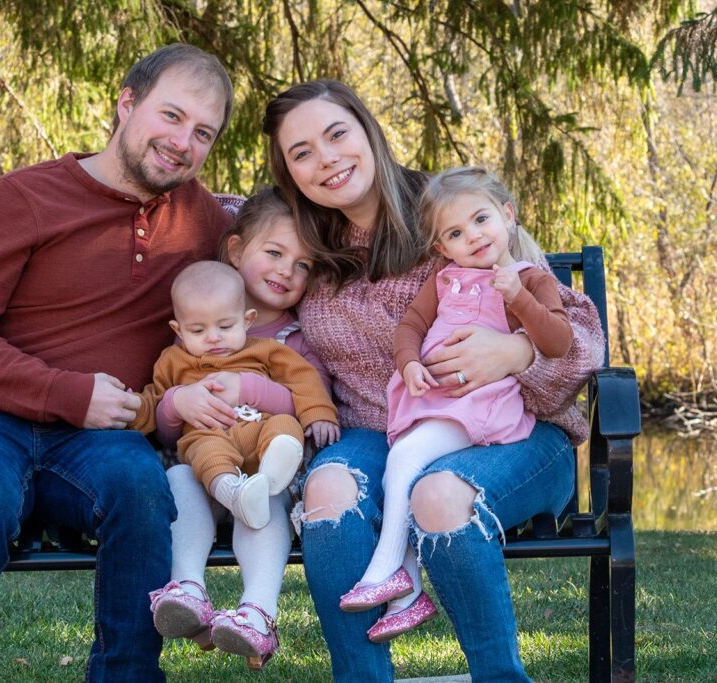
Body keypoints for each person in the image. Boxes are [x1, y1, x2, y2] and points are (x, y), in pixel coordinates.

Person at [0, 44, 236, 683]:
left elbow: (284, 248)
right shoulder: (23, 197)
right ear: (127, 103)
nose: (182, 142)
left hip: (99, 444)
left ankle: (126, 675)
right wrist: (65, 391)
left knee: (142, 489)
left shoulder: (201, 220)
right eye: (170, 116)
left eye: (203, 133)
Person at [259, 80, 606, 682]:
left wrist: (516, 350)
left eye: (337, 134)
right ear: (289, 173)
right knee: (330, 488)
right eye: (303, 152)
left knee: (439, 494)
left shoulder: (450, 211)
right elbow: (214, 212)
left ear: (368, 131)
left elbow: (579, 339)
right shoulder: (306, 240)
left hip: (515, 431)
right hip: (386, 429)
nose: (327, 159)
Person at [339, 166, 574, 642]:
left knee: (404, 458)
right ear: (442, 248)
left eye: (481, 219)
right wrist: (408, 363)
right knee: (409, 476)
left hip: (483, 405)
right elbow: (409, 327)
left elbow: (560, 341)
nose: (474, 236)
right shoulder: (444, 281)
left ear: (507, 216)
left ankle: (385, 568)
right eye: (456, 232)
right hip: (434, 403)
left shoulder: (529, 278)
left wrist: (520, 301)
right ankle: (407, 595)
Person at [145, 193, 339, 670]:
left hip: (265, 476)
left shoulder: (295, 337)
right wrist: (177, 403)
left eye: (302, 265)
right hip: (204, 472)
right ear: (235, 252)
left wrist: (247, 387)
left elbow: (309, 399)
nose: (285, 271)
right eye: (274, 253)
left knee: (266, 499)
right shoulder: (190, 336)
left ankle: (257, 611)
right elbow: (167, 430)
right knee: (175, 481)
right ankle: (187, 588)